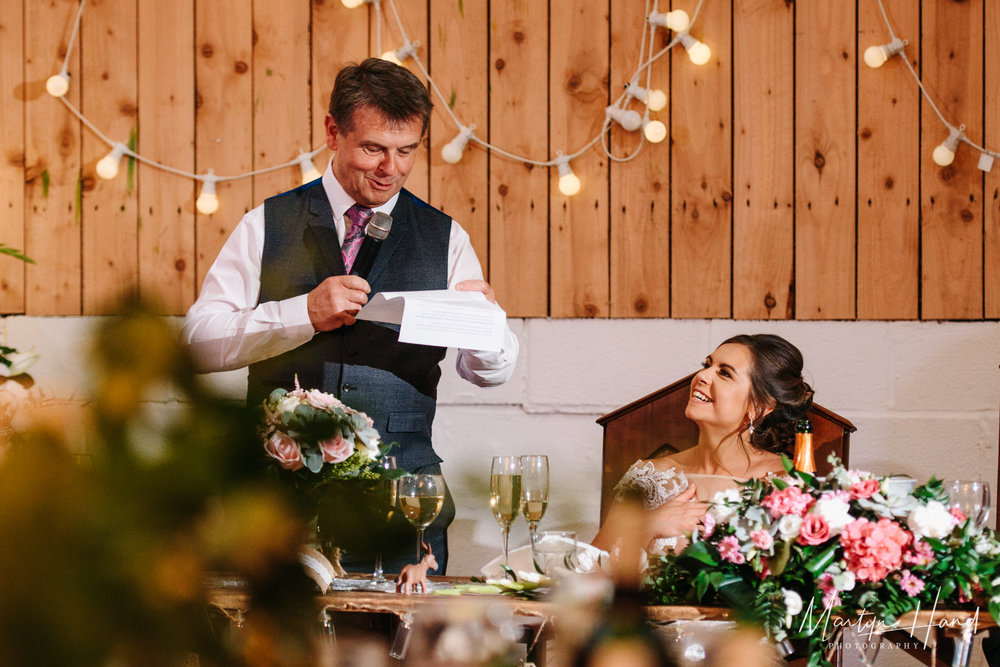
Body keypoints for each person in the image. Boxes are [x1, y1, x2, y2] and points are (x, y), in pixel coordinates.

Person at [182, 57, 519, 577]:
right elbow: (197, 343)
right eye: (373, 149)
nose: (392, 169)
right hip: (278, 511)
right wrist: (302, 314)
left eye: (407, 151)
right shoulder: (265, 224)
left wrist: (488, 323)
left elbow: (488, 373)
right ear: (333, 132)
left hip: (405, 512)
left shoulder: (446, 238)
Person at [591, 334, 813, 558]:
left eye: (724, 373)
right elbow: (589, 567)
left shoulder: (786, 484)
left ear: (759, 406)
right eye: (707, 365)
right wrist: (648, 525)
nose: (702, 376)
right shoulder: (648, 477)